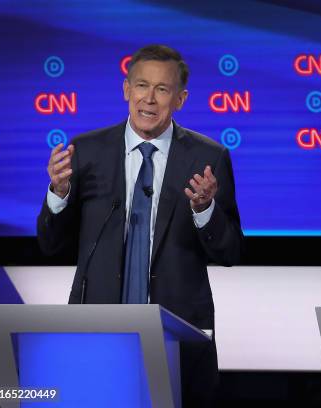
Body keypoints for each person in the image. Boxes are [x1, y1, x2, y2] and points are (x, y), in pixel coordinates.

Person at [37, 44, 244, 406]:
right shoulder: (86, 152)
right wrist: (59, 192)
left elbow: (230, 251)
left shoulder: (208, 158)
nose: (149, 99)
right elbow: (51, 245)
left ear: (180, 99)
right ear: (126, 90)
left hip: (177, 338)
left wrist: (205, 208)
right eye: (141, 86)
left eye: (162, 89)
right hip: (99, 333)